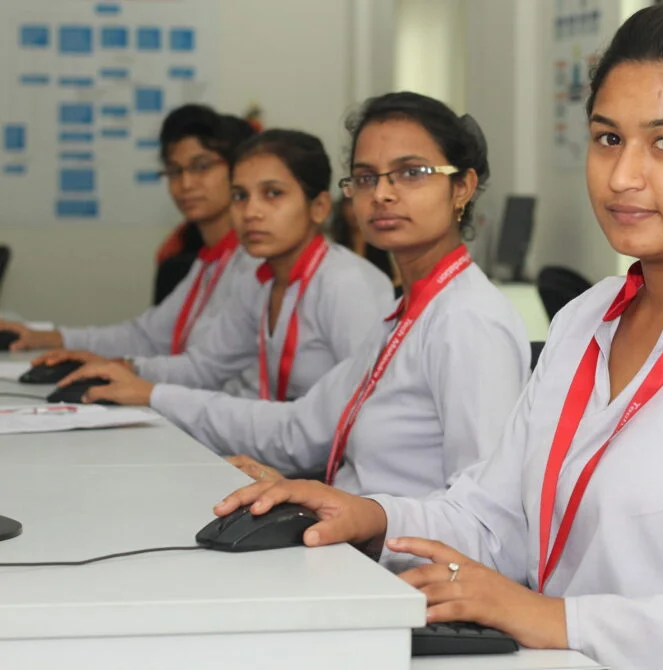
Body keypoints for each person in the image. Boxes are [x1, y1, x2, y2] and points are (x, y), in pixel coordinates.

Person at [214, 7, 663, 669]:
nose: (621, 176)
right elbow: (497, 518)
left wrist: (552, 617)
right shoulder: (588, 319)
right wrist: (370, 516)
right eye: (607, 139)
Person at [60, 92, 531, 493]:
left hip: (409, 580)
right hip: (369, 548)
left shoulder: (467, 320)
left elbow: (485, 515)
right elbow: (300, 428)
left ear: (462, 187)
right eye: (366, 177)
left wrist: (340, 508)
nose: (382, 194)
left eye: (411, 173)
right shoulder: (407, 313)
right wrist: (156, 396)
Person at [56, 129, 394, 403]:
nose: (251, 212)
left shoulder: (346, 284)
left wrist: (154, 395)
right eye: (239, 196)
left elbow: (364, 409)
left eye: (273, 194)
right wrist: (126, 367)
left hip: (329, 475)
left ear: (319, 207)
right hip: (280, 454)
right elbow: (206, 367)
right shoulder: (259, 278)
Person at [0, 105, 258, 356]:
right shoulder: (208, 261)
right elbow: (146, 337)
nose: (186, 183)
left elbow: (211, 371)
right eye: (174, 171)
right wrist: (48, 338)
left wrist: (135, 375)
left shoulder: (252, 262)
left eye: (201, 166)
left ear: (239, 171)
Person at [330, 195, 396, 283]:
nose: (354, 211)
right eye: (350, 204)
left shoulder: (383, 241)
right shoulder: (335, 246)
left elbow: (397, 279)